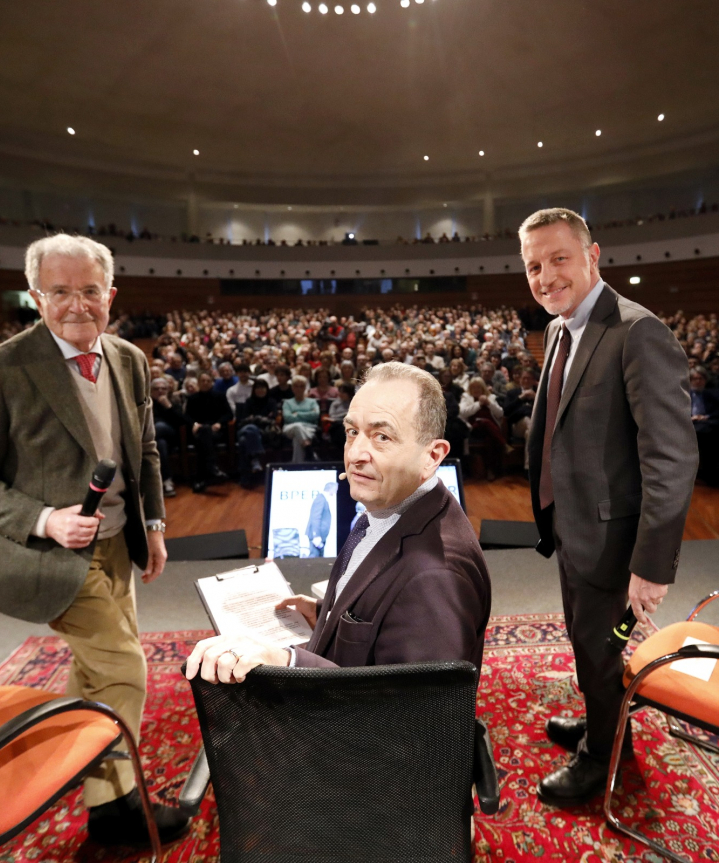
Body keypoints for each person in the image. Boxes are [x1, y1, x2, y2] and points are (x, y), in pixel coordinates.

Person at [0, 235, 190, 847]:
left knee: (97, 670)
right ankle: (114, 810)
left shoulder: (128, 358)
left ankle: (62, 760)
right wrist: (46, 519)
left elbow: (145, 450)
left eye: (90, 291)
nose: (78, 304)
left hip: (118, 542)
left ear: (110, 295)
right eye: (61, 291)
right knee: (124, 669)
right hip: (50, 554)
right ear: (36, 296)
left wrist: (154, 525)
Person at [520, 208, 698, 808]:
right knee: (587, 645)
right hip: (572, 528)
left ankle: (603, 758)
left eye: (558, 259)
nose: (546, 277)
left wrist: (651, 565)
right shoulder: (560, 329)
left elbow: (671, 458)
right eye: (534, 267)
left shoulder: (638, 331)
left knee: (599, 652)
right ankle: (603, 722)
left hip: (614, 544)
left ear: (592, 255)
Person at [185, 362, 491, 682]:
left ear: (432, 456)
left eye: (382, 436)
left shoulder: (435, 578)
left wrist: (288, 661)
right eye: (353, 432)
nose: (355, 454)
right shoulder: (390, 505)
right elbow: (388, 613)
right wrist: (326, 615)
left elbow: (409, 710)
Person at [184, 371, 233, 493]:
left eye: (208, 381)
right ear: (198, 383)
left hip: (215, 431)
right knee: (204, 433)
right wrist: (194, 424)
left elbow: (229, 414)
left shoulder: (220, 396)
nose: (205, 383)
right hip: (199, 431)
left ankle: (200, 479)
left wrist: (219, 423)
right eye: (203, 381)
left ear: (212, 382)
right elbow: (187, 416)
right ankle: (212, 469)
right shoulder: (192, 398)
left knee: (203, 440)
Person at [236, 379, 279, 488]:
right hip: (247, 429)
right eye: (258, 388)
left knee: (243, 441)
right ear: (254, 390)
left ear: (267, 389)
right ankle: (255, 460)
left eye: (263, 388)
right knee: (251, 428)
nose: (260, 390)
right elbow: (244, 420)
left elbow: (272, 420)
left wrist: (254, 418)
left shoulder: (271, 402)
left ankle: (245, 477)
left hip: (264, 432)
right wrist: (261, 419)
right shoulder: (249, 401)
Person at [151, 376, 184, 498]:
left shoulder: (174, 402)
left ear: (168, 390)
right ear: (151, 391)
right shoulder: (147, 404)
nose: (160, 391)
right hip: (156, 440)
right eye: (156, 389)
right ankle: (167, 481)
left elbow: (181, 422)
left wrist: (168, 406)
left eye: (163, 388)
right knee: (160, 444)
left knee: (159, 427)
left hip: (173, 436)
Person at [689, 365, 719, 485]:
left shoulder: (712, 394)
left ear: (705, 380)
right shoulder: (684, 395)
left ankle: (708, 472)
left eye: (700, 378)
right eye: (695, 378)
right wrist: (691, 418)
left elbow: (717, 411)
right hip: (689, 422)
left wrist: (706, 416)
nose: (698, 381)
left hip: (706, 423)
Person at [282, 375, 320, 462]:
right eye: (296, 386)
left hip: (309, 428)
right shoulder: (287, 403)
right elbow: (287, 417)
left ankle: (298, 464)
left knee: (297, 439)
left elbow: (315, 415)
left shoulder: (312, 402)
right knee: (297, 426)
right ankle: (308, 447)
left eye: (301, 386)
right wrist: (307, 415)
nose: (299, 389)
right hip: (290, 428)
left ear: (305, 388)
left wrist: (297, 414)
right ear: (292, 388)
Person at [306, 482, 337, 558]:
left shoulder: (323, 499)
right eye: (335, 490)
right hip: (317, 536)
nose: (335, 492)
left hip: (320, 536)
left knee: (319, 559)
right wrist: (316, 535)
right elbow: (315, 518)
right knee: (314, 559)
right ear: (331, 489)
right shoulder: (320, 499)